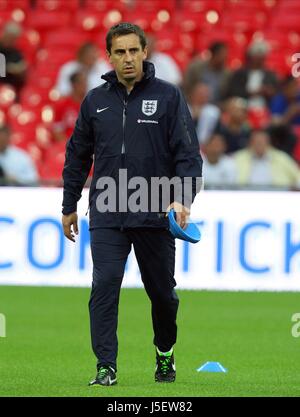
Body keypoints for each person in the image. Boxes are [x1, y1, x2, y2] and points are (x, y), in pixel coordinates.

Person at [61, 22, 202, 387]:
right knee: (104, 285)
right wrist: (68, 205)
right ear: (109, 56)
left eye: (133, 51)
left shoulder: (169, 97)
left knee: (162, 294)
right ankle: (105, 367)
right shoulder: (95, 101)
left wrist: (182, 199)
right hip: (107, 209)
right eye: (119, 52)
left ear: (144, 53)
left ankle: (165, 351)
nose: (127, 58)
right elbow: (77, 156)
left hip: (155, 210)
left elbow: (188, 155)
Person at [233, 129, 300, 189]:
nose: (259, 144)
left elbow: (297, 176)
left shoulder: (281, 157)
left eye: (262, 141)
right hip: (245, 195)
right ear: (250, 143)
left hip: (277, 196)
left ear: (268, 143)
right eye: (256, 142)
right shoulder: (239, 157)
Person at [225, 40, 278, 108]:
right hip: (242, 105)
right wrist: (254, 93)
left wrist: (269, 92)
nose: (259, 60)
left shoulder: (270, 75)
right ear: (250, 56)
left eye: (261, 57)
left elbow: (276, 92)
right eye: (257, 57)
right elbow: (233, 92)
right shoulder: (240, 73)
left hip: (265, 106)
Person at [52, 71, 87, 143]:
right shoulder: (62, 104)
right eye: (81, 83)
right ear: (73, 85)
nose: (84, 86)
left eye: (85, 82)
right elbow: (57, 131)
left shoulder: (92, 104)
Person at [0, 22, 27, 95]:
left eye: (13, 39)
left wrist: (19, 71)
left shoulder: (16, 54)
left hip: (9, 89)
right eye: (9, 37)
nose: (10, 41)